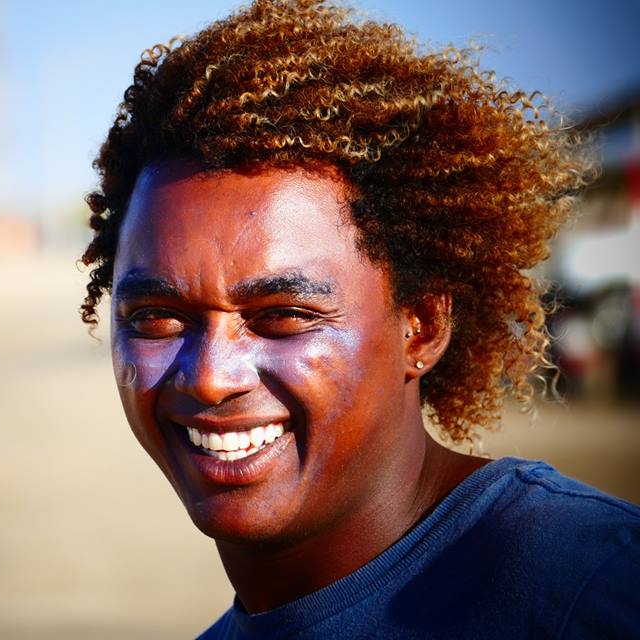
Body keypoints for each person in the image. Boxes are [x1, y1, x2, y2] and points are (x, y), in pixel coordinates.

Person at [79, 1, 640, 637]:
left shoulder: (590, 587)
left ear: (421, 327)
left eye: (283, 316)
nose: (209, 378)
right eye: (157, 317)